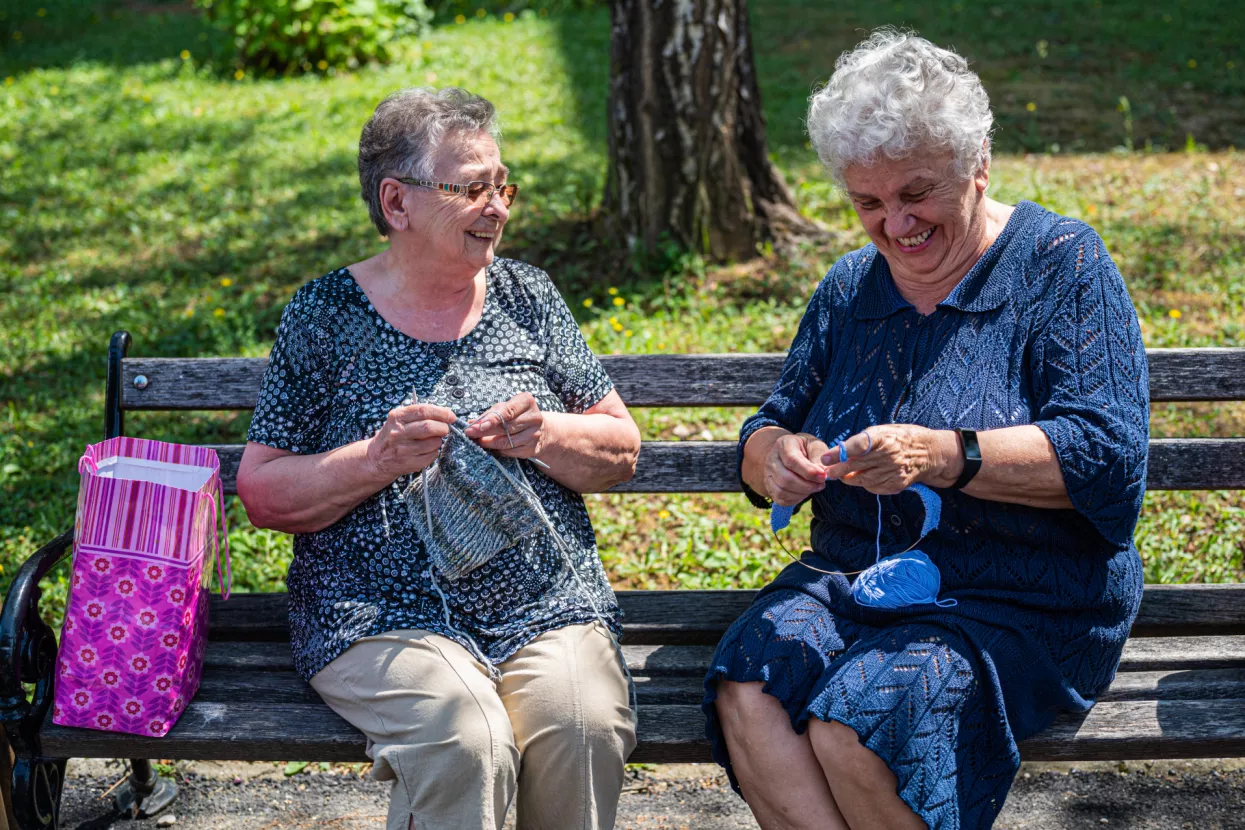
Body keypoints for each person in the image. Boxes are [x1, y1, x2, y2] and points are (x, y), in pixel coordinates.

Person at [703, 31, 1150, 830]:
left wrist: (943, 455)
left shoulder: (1060, 265)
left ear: (978, 164)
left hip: (1019, 594)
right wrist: (776, 459)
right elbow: (770, 425)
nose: (894, 224)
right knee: (751, 683)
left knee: (859, 723)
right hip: (857, 579)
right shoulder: (849, 288)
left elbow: (1107, 460)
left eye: (916, 194)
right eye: (868, 203)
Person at [236, 87, 641, 830]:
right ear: (398, 203)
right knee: (466, 740)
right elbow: (261, 493)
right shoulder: (326, 315)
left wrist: (544, 435)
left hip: (543, 604)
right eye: (473, 188)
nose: (498, 207)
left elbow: (619, 448)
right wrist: (376, 459)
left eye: (502, 185)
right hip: (378, 614)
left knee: (582, 727)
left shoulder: (528, 296)